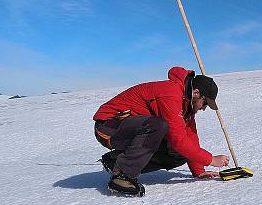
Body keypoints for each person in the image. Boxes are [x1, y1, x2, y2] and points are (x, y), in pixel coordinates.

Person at [93, 66, 230, 196]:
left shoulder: (186, 103)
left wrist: (199, 171)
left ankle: (114, 161)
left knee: (178, 154)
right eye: (205, 103)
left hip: (132, 128)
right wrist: (211, 159)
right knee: (158, 126)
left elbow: (190, 137)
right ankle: (122, 176)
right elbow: (178, 140)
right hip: (108, 126)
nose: (204, 108)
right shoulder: (171, 94)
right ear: (196, 93)